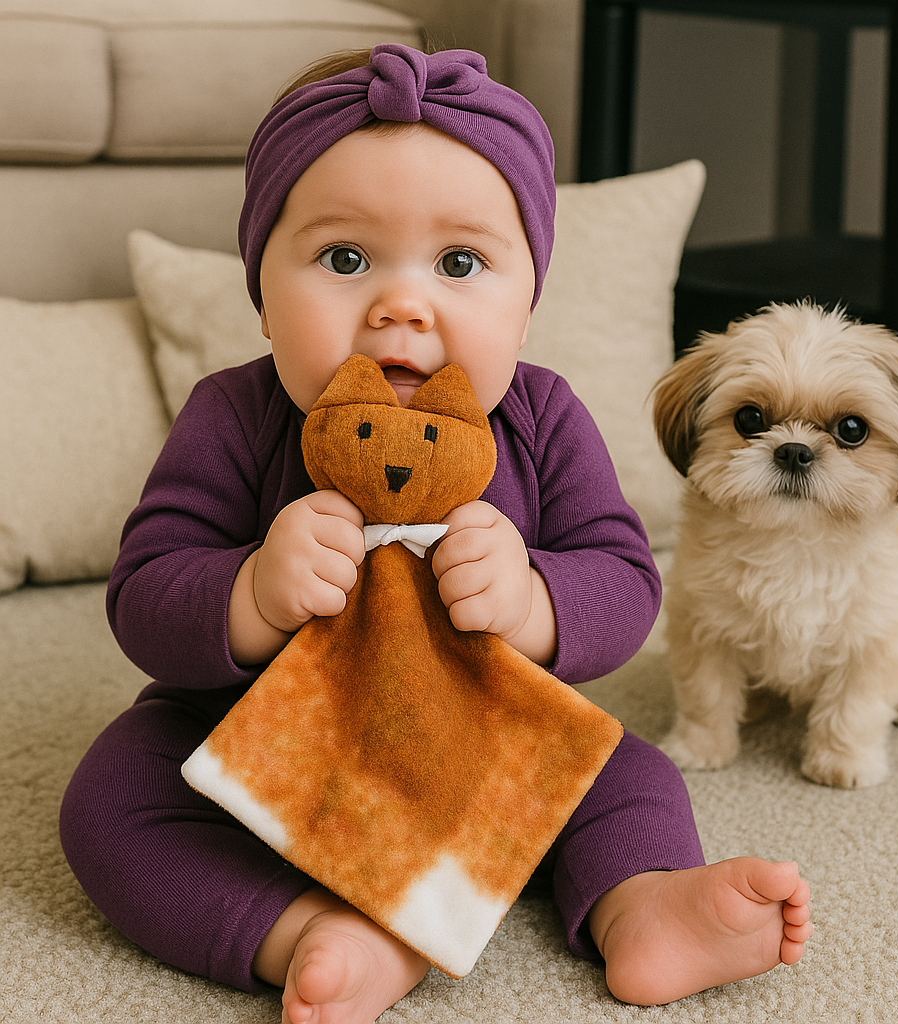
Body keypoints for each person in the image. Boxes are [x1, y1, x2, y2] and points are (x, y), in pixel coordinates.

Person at [60, 44, 812, 1024]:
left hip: (484, 745)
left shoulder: (543, 416)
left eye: (460, 264)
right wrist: (250, 590)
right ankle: (321, 931)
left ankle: (642, 907)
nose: (401, 306)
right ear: (262, 301)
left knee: (625, 773)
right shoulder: (233, 413)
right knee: (113, 794)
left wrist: (533, 599)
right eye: (344, 259)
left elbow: (626, 577)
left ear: (526, 309)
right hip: (257, 745)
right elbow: (145, 588)